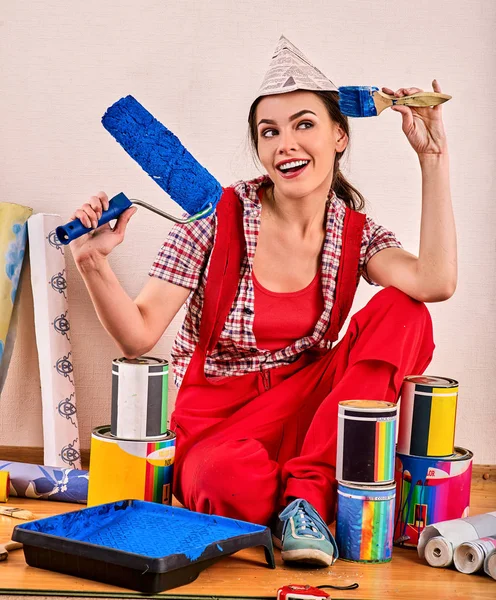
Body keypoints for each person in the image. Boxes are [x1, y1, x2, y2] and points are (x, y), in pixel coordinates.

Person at [68, 37, 456, 567]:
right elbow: (138, 334)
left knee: (405, 311)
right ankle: (319, 505)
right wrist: (94, 263)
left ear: (339, 136)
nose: (285, 145)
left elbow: (435, 281)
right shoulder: (215, 215)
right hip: (220, 422)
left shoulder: (354, 233)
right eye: (269, 132)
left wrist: (432, 159)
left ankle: (305, 497)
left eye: (303, 125)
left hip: (312, 413)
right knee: (219, 478)